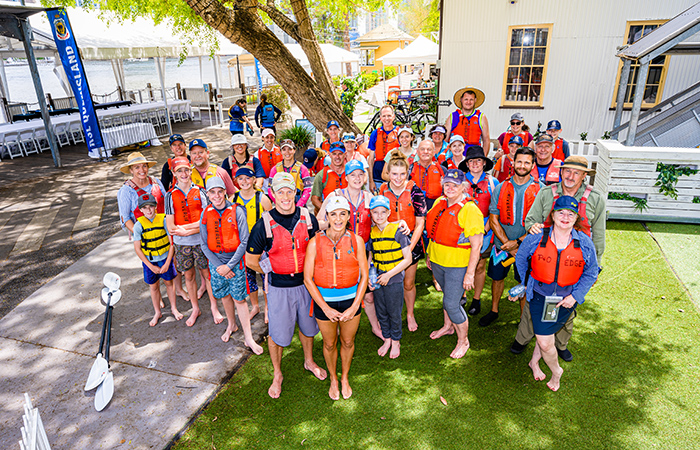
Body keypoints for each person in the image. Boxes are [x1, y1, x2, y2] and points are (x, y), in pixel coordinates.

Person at [511, 155, 606, 361]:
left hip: (576, 259)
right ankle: (523, 339)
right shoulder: (547, 192)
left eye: (576, 172)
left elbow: (598, 235)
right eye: (567, 171)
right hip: (545, 255)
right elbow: (531, 220)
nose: (571, 176)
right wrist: (533, 226)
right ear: (561, 172)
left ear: (584, 176)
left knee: (568, 304)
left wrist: (596, 267)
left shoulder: (596, 198)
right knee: (532, 303)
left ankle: (561, 344)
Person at [246, 172, 327, 398]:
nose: (285, 196)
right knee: (277, 335)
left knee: (309, 327)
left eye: (289, 191)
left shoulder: (307, 217)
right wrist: (272, 270)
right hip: (279, 289)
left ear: (295, 192)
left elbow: (319, 244)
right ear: (273, 194)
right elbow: (251, 260)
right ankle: (278, 373)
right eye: (280, 191)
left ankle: (309, 361)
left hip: (306, 285)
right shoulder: (263, 223)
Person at [515, 196, 598, 391]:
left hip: (565, 300)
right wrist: (527, 283)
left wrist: (575, 297)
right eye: (561, 212)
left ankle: (534, 363)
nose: (565, 217)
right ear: (552, 215)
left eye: (571, 214)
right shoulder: (537, 236)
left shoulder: (584, 243)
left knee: (546, 335)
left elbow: (591, 272)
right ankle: (556, 371)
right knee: (545, 340)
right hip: (539, 295)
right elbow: (521, 258)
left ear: (576, 218)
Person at [303, 196, 368, 400]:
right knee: (330, 343)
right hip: (325, 303)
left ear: (348, 216)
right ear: (327, 216)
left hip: (351, 301)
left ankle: (345, 377)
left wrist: (355, 305)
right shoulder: (315, 242)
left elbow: (364, 275)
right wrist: (326, 308)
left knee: (348, 341)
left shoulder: (357, 241)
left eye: (342, 214)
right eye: (333, 214)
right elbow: (307, 278)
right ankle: (333, 377)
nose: (338, 218)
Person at [315, 160, 381, 337]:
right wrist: (333, 223)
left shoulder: (369, 197)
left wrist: (400, 223)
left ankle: (375, 327)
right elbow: (319, 221)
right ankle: (336, 328)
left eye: (361, 174)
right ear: (346, 177)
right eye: (353, 174)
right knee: (341, 288)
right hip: (339, 250)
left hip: (364, 250)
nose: (357, 178)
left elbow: (379, 221)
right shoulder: (335, 195)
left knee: (368, 294)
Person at [200, 176, 264, 352]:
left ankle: (249, 338)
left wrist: (229, 266)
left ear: (225, 192)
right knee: (225, 296)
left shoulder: (237, 211)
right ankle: (231, 324)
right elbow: (204, 244)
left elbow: (244, 241)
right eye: (212, 192)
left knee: (239, 299)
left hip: (235, 262)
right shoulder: (205, 213)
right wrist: (219, 266)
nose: (217, 196)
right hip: (216, 263)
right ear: (208, 194)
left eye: (220, 192)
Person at [426, 169, 484, 358]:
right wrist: (429, 255)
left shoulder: (470, 210)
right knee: (447, 298)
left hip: (457, 265)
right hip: (437, 261)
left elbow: (477, 246)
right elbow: (435, 232)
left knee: (452, 303)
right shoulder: (439, 202)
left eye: (455, 185)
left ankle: (463, 341)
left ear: (463, 187)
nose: (450, 188)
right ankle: (447, 326)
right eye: (447, 184)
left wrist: (469, 273)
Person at [481, 147, 540, 326]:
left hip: (528, 246)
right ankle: (494, 310)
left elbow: (541, 222)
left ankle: (523, 319)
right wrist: (507, 243)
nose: (522, 166)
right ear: (513, 162)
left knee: (524, 281)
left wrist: (518, 244)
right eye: (519, 161)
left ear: (533, 165)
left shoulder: (540, 189)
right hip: (502, 246)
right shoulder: (501, 187)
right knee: (497, 277)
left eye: (526, 162)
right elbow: (493, 217)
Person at [165, 156, 221, 327]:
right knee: (188, 276)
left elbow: (207, 220)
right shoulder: (170, 196)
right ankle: (195, 308)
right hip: (183, 245)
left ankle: (214, 307)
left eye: (186, 170)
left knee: (207, 274)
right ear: (174, 173)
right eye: (179, 170)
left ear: (190, 170)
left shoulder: (200, 191)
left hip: (201, 242)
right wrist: (188, 229)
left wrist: (186, 229)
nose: (184, 173)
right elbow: (171, 226)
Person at [379, 152, 427, 332]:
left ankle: (410, 314)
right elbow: (378, 216)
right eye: (394, 174)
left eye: (402, 174)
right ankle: (390, 314)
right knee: (389, 282)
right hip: (387, 245)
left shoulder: (415, 191)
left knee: (408, 283)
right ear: (388, 173)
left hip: (411, 244)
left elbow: (420, 222)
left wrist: (410, 248)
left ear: (407, 173)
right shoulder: (383, 190)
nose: (398, 178)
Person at [367, 195, 413, 359]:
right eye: (375, 212)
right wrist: (368, 274)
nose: (379, 216)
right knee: (381, 311)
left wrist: (389, 275)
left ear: (388, 213)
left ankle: (396, 341)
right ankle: (386, 338)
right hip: (378, 279)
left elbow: (408, 259)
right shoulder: (372, 232)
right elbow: (371, 254)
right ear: (371, 214)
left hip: (393, 279)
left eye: (382, 212)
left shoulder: (398, 231)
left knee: (394, 312)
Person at [132, 193, 182, 327]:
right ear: (141, 210)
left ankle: (174, 308)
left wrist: (167, 262)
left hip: (165, 258)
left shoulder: (164, 220)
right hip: (150, 261)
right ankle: (157, 312)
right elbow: (138, 248)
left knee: (169, 283)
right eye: (145, 208)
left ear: (155, 207)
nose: (148, 210)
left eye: (151, 207)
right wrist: (150, 266)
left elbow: (172, 242)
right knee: (153, 287)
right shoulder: (138, 225)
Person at [460, 146, 499, 317]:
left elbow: (495, 210)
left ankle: (476, 299)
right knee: (461, 263)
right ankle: (461, 295)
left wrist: (485, 230)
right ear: (467, 164)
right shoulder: (460, 180)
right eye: (471, 161)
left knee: (479, 265)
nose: (475, 164)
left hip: (485, 229)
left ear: (484, 163)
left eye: (478, 160)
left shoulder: (492, 182)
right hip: (463, 229)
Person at [232, 167, 273, 322]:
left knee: (265, 277)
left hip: (260, 246)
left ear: (254, 179)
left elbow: (270, 223)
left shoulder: (262, 198)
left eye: (247, 178)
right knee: (249, 279)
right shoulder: (233, 199)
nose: (244, 182)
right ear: (236, 181)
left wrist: (268, 245)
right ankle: (255, 305)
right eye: (240, 178)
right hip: (242, 246)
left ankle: (268, 307)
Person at [117, 151, 166, 235]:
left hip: (164, 230)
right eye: (137, 167)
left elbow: (167, 205)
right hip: (144, 235)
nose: (142, 170)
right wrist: (139, 235)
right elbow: (125, 218)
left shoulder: (156, 182)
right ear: (131, 170)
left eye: (144, 166)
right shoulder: (126, 190)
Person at [446, 86, 491, 155]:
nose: (468, 102)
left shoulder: (481, 117)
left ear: (475, 100)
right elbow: (445, 139)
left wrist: (483, 158)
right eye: (466, 99)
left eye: (471, 99)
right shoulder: (453, 116)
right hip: (456, 155)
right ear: (461, 100)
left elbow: (486, 140)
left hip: (474, 155)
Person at [268, 139, 312, 208]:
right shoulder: (275, 169)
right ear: (281, 151)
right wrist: (279, 203)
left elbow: (308, 189)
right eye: (284, 149)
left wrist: (298, 206)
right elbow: (270, 189)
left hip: (299, 204)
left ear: (294, 150)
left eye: (290, 149)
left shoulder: (302, 168)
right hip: (281, 205)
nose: (287, 152)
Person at [368, 105, 399, 192]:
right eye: (384, 116)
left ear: (393, 116)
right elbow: (370, 159)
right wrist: (371, 181)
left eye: (389, 115)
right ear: (380, 118)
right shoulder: (375, 133)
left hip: (394, 170)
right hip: (378, 171)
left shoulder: (399, 133)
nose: (387, 118)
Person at [311, 142, 347, 211]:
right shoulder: (322, 175)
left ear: (345, 154)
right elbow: (314, 199)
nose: (337, 157)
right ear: (329, 155)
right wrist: (326, 212)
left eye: (340, 154)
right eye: (334, 154)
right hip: (329, 215)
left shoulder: (351, 172)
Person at [410, 139, 445, 210]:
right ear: (417, 152)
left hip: (436, 206)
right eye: (422, 149)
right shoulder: (410, 169)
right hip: (415, 206)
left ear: (434, 152)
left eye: (429, 149)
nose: (425, 152)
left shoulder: (442, 170)